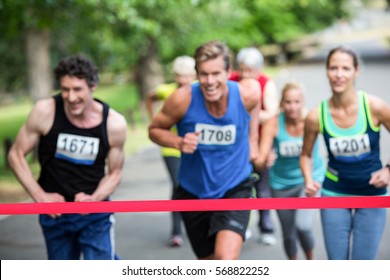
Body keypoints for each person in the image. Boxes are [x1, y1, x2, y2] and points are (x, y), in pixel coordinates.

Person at [7, 55, 127, 260]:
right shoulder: (45, 111)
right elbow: (16, 155)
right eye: (65, 89)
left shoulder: (113, 124)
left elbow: (115, 172)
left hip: (94, 212)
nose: (71, 97)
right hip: (55, 212)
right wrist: (40, 196)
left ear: (92, 87)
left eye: (77, 89)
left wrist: (94, 199)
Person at [148, 41, 260, 259]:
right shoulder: (182, 99)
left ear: (229, 72)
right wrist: (178, 142)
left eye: (216, 74)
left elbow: (255, 105)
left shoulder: (246, 94)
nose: (209, 82)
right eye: (203, 74)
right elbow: (154, 130)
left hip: (234, 187)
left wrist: (253, 140)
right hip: (193, 191)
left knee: (225, 260)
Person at [300, 46, 390, 260]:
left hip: (372, 195)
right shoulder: (316, 116)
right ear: (327, 71)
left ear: (356, 71)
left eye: (345, 68)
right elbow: (305, 154)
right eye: (333, 68)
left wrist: (388, 170)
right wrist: (308, 179)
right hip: (334, 194)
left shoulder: (375, 107)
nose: (339, 74)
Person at [254, 81, 325, 259]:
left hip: (309, 180)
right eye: (288, 102)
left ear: (303, 102)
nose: (292, 107)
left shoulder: (312, 119)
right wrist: (265, 161)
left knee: (303, 226)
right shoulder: (274, 124)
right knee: (289, 233)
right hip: (280, 185)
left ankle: (310, 262)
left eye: (296, 102)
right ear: (281, 103)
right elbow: (260, 162)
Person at [229, 47, 279, 245]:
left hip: (262, 139)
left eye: (251, 70)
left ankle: (266, 227)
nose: (246, 75)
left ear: (259, 69)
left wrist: (245, 113)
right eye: (243, 70)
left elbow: (271, 114)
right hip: (236, 143)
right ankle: (241, 225)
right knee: (239, 186)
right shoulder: (231, 80)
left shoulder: (267, 84)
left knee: (262, 186)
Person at [146, 55, 196, 247]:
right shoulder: (167, 91)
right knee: (178, 184)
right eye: (179, 76)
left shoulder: (199, 90)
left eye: (187, 76)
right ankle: (176, 231)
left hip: (193, 148)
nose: (183, 80)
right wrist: (153, 120)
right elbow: (150, 97)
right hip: (171, 148)